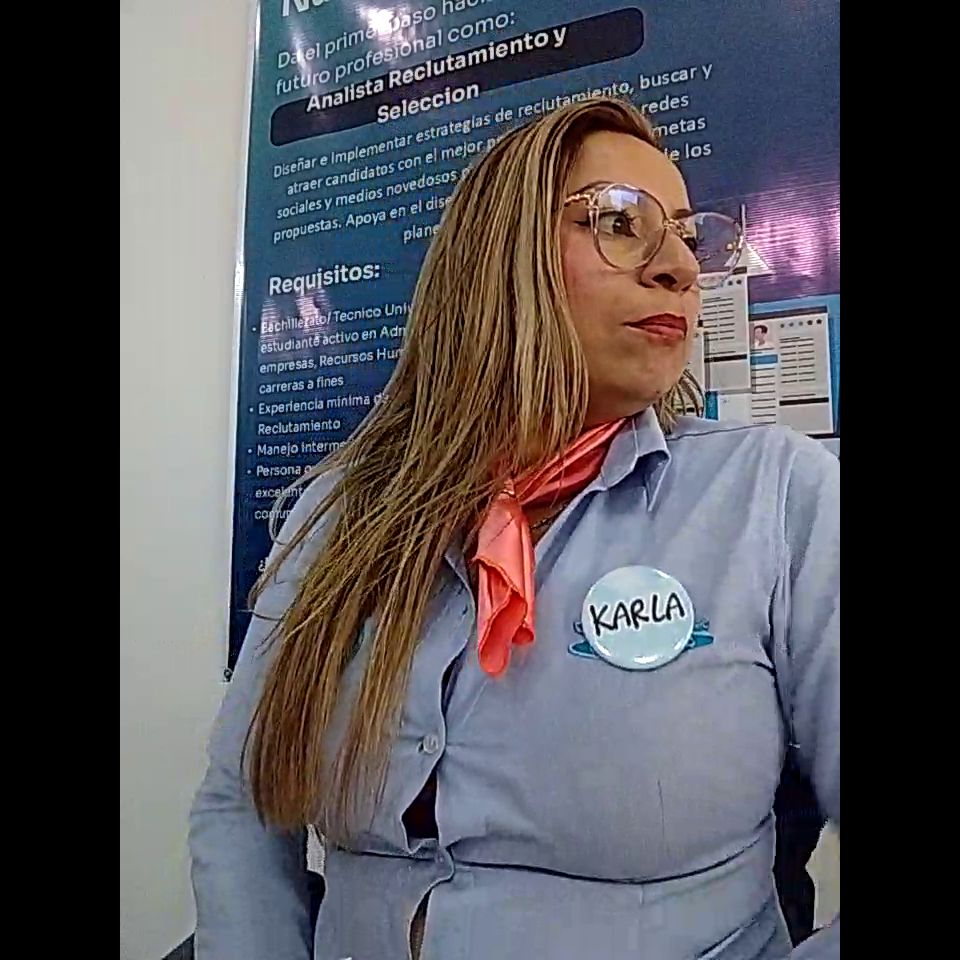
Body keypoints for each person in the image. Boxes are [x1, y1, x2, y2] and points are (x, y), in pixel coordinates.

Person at [190, 97, 840, 960]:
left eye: (688, 236)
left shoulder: (775, 497)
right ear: (503, 257)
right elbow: (243, 805)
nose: (681, 268)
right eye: (621, 222)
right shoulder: (340, 513)